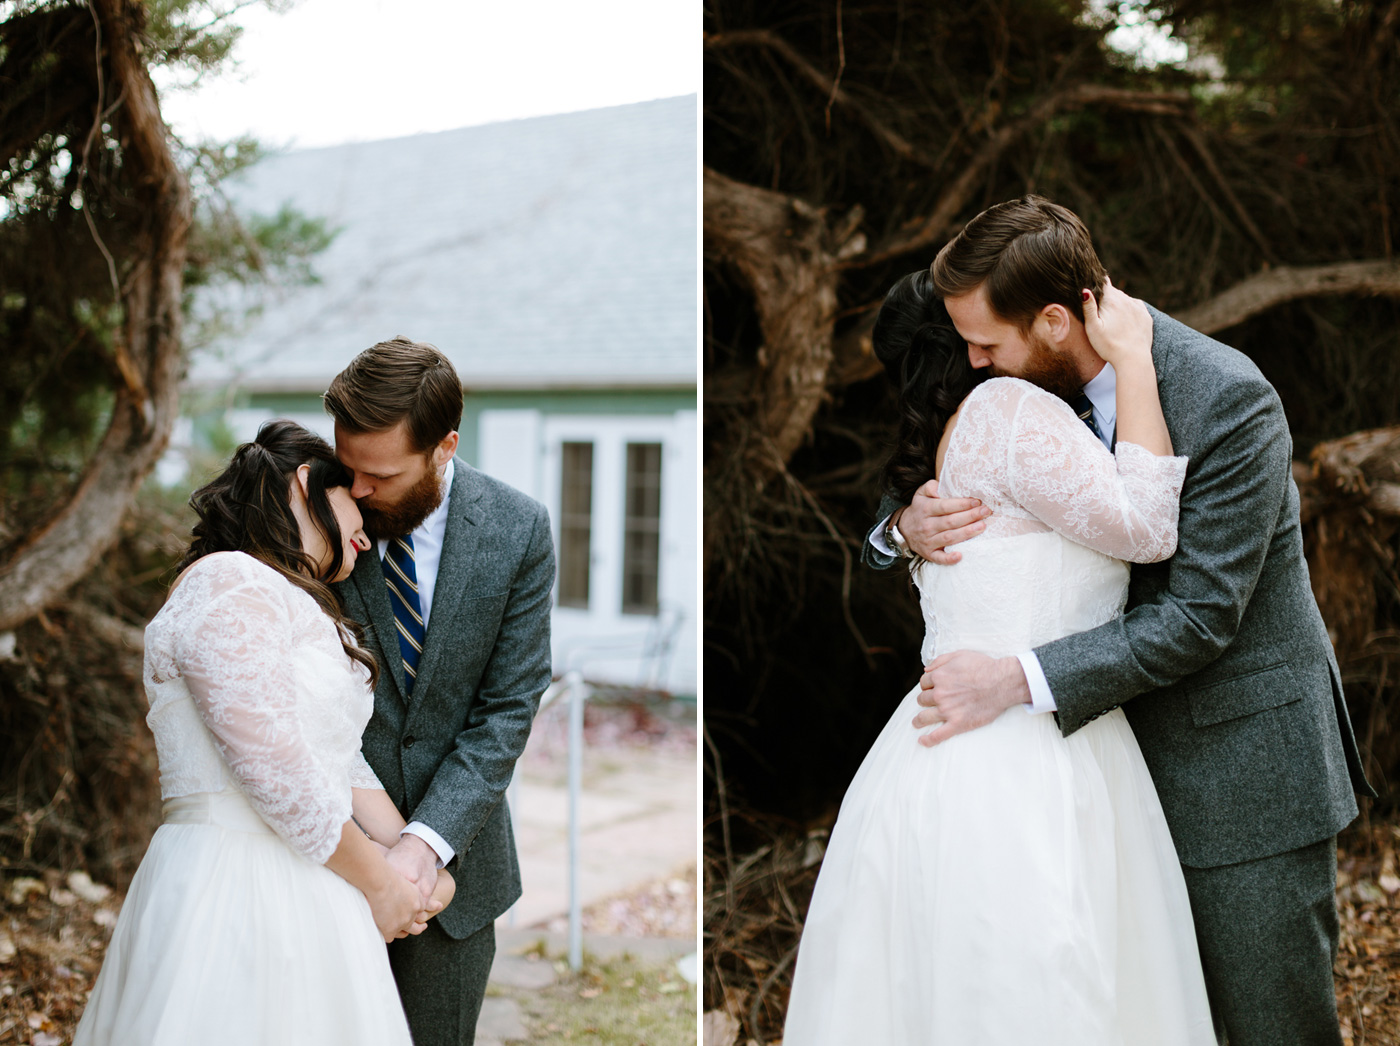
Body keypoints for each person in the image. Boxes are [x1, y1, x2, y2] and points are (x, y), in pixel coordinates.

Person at [869, 196, 1374, 1044]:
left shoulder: (1225, 398)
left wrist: (1017, 678)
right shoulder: (1023, 389)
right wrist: (902, 528)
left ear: (1059, 321)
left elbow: (1201, 616)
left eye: (986, 342)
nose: (972, 362)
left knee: (1265, 1027)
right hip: (1097, 783)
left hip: (1235, 777)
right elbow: (945, 481)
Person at [783, 267, 1214, 1043]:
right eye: (976, 339)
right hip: (1029, 755)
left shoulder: (954, 433)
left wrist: (899, 531)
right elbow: (1148, 530)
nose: (986, 354)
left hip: (938, 754)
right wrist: (1138, 361)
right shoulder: (1009, 409)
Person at [74, 420, 455, 1046]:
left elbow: (340, 763)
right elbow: (277, 770)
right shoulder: (227, 580)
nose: (366, 520)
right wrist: (381, 885)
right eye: (350, 497)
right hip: (235, 887)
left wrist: (418, 859)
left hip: (314, 884)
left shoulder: (283, 595)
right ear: (306, 482)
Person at [323, 336, 556, 1046]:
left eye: (381, 476)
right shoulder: (311, 511)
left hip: (455, 876)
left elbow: (508, 709)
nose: (357, 492)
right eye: (348, 467)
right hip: (325, 861)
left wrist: (421, 849)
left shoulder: (520, 530)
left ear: (445, 446)